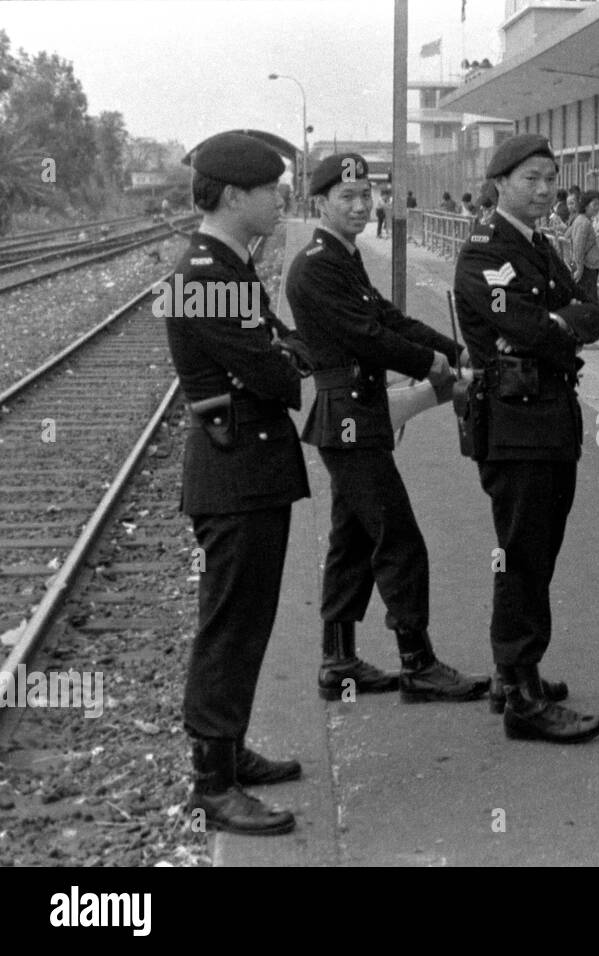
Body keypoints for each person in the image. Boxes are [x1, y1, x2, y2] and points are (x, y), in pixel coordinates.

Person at [285, 153, 490, 707]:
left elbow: (390, 320)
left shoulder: (342, 258)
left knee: (352, 539)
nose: (359, 205)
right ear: (320, 202)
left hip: (356, 414)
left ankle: (338, 659)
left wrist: (454, 348)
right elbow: (366, 336)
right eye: (346, 197)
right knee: (398, 540)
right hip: (348, 418)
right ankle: (417, 663)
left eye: (365, 195)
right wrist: (434, 366)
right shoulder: (316, 265)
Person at [164, 131, 311, 836]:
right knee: (229, 626)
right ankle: (212, 785)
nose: (281, 198)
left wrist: (284, 352)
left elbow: (282, 347)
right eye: (270, 189)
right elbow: (279, 373)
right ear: (232, 196)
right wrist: (285, 359)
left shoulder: (225, 265)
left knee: (248, 620)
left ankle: (230, 750)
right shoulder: (206, 278)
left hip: (248, 468)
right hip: (236, 472)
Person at [453, 133, 599, 743]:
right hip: (517, 422)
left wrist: (557, 324)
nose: (544, 191)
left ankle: (513, 671)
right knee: (522, 553)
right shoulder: (485, 253)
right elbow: (526, 327)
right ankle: (521, 695)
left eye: (550, 179)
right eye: (530, 180)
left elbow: (589, 314)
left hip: (547, 417)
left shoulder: (538, 247)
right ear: (499, 185)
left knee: (535, 552)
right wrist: (556, 324)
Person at [569, 190, 599, 301]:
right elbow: (579, 246)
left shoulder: (580, 220)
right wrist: (579, 268)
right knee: (589, 299)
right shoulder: (584, 222)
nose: (597, 207)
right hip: (586, 267)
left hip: (586, 266)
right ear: (586, 205)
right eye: (594, 204)